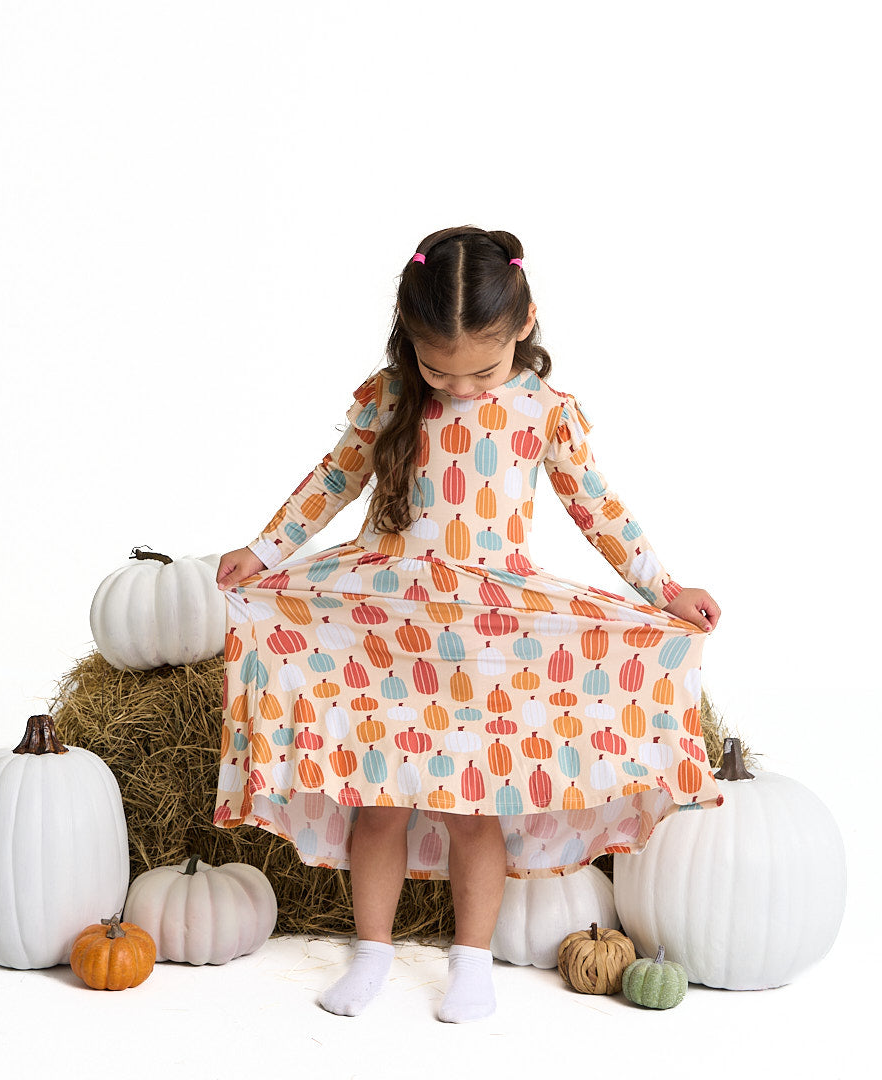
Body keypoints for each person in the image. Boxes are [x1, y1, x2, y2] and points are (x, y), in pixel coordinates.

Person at [214, 225, 721, 1023]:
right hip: (386, 622)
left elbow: (597, 507)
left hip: (487, 633)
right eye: (436, 367)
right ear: (409, 342)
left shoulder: (541, 409)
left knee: (472, 803)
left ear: (525, 323)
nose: (457, 387)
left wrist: (664, 586)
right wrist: (262, 548)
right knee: (375, 797)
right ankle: (373, 950)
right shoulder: (390, 395)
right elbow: (334, 480)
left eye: (480, 369)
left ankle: (471, 961)